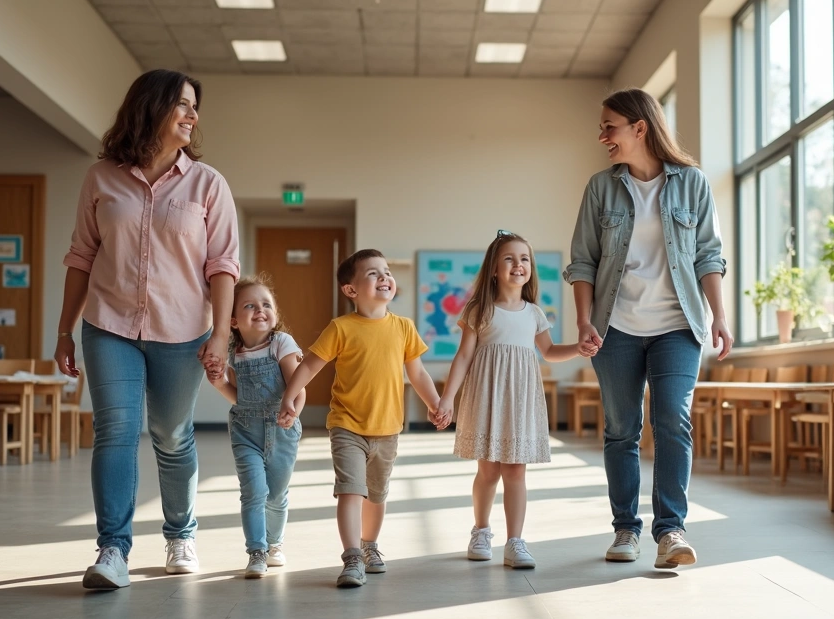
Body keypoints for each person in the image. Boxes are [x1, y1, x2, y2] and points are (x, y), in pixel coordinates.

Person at [55, 69, 240, 590]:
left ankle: (181, 533)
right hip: (108, 326)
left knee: (172, 435)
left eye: (194, 106)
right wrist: (64, 330)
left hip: (182, 332)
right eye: (181, 104)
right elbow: (81, 257)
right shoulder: (101, 178)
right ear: (150, 107)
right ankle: (112, 549)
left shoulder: (208, 184)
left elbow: (223, 265)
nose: (192, 114)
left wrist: (221, 335)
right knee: (114, 431)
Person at [565, 88, 732, 570]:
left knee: (673, 422)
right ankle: (625, 529)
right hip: (614, 327)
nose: (602, 136)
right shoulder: (601, 188)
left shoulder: (692, 184)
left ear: (640, 127)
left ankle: (671, 531)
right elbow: (582, 262)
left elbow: (708, 255)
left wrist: (718, 315)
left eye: (609, 127)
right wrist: (583, 321)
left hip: (678, 325)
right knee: (622, 430)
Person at [278, 249, 442, 588]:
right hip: (346, 425)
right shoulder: (341, 327)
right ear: (350, 290)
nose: (384, 277)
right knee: (351, 491)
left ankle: (370, 547)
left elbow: (419, 373)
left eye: (386, 271)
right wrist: (289, 396)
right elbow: (310, 364)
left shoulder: (404, 327)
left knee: (377, 495)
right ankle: (352, 556)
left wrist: (436, 403)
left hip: (387, 428)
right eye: (372, 273)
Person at [436, 231, 589, 570]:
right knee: (488, 471)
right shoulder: (480, 310)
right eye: (509, 258)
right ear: (493, 268)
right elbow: (463, 357)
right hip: (487, 395)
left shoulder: (534, 312)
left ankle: (515, 541)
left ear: (530, 269)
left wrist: (578, 348)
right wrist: (447, 400)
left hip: (520, 398)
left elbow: (548, 351)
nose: (518, 265)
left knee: (516, 472)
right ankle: (481, 529)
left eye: (524, 259)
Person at [206, 274, 304, 579]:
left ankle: (274, 544)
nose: (260, 309)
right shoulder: (234, 352)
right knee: (253, 491)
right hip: (245, 431)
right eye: (250, 305)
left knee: (276, 494)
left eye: (266, 304)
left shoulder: (281, 343)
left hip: (282, 429)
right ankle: (256, 551)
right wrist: (219, 383)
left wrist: (293, 410)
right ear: (234, 320)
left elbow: (298, 387)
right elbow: (238, 397)